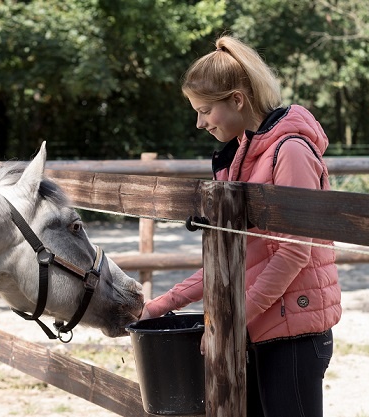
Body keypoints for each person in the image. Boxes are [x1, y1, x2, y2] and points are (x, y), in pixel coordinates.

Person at [139, 35, 341, 417]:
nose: (198, 123)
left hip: (291, 333)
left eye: (204, 111)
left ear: (237, 99)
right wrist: (163, 305)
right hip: (255, 326)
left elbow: (295, 252)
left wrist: (233, 321)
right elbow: (234, 259)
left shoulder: (291, 151)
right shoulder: (240, 158)